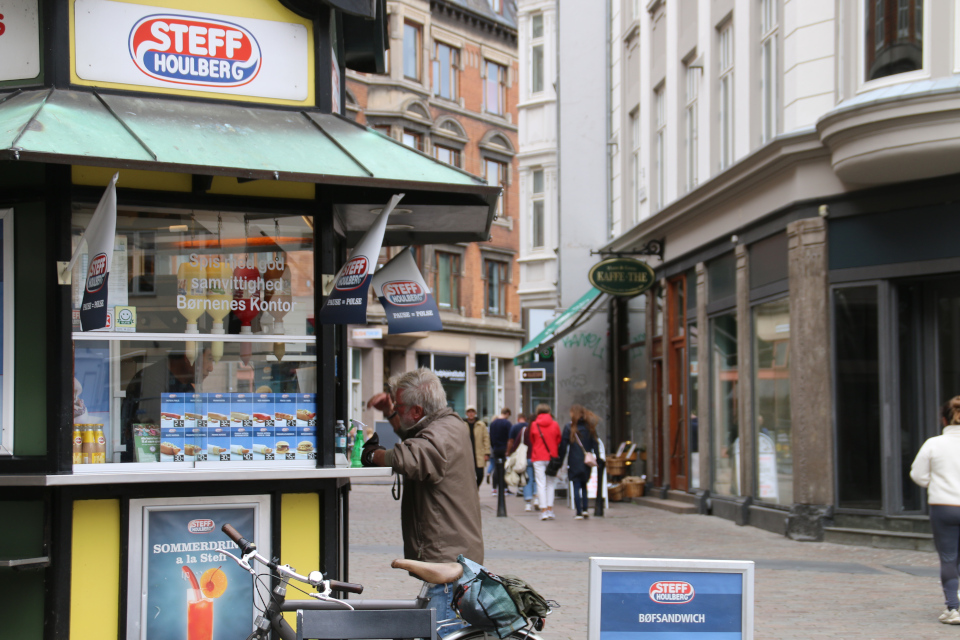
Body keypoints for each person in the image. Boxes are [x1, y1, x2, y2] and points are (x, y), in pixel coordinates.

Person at [363, 369, 484, 636]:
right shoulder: (449, 423)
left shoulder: (440, 436)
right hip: (457, 555)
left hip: (449, 562)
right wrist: (393, 414)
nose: (396, 409)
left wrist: (372, 456)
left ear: (417, 410)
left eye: (399, 406)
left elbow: (412, 456)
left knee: (443, 633)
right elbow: (416, 437)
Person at [911, 396, 960, 625]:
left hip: (944, 506)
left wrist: (937, 483)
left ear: (943, 419)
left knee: (949, 558)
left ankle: (954, 608)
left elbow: (918, 475)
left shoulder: (933, 443)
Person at [120, 348, 215, 459]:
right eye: (209, 359)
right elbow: (150, 423)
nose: (211, 368)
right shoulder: (152, 380)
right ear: (188, 357)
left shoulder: (187, 388)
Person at [559, 405, 601, 520]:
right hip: (586, 460)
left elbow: (563, 445)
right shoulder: (589, 427)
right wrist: (597, 457)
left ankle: (578, 512)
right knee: (584, 485)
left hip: (574, 460)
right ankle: (585, 509)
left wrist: (559, 460)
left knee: (576, 486)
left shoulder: (569, 427)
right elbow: (595, 443)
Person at [529, 403, 561, 521]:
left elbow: (532, 440)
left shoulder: (534, 425)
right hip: (552, 457)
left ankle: (543, 511)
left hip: (538, 456)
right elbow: (558, 439)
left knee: (540, 484)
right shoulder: (555, 424)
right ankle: (550, 509)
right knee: (551, 484)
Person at [506, 414, 536, 510]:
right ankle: (537, 499)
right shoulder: (538, 431)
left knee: (527, 479)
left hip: (526, 458)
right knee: (538, 479)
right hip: (538, 457)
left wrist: (511, 453)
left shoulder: (524, 430)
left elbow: (516, 443)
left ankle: (528, 503)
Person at [463, 405, 490, 487]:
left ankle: (475, 488)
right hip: (466, 454)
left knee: (480, 474)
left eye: (472, 412)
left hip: (479, 453)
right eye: (469, 412)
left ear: (475, 413)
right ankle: (471, 492)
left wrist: (487, 452)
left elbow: (486, 439)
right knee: (467, 475)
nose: (471, 414)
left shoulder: (481, 425)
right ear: (466, 413)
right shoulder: (462, 424)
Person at [488, 408, 513, 496]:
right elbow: (510, 438)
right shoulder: (507, 423)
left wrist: (493, 446)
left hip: (496, 448)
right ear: (506, 413)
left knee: (496, 468)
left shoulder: (493, 423)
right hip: (505, 449)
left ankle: (494, 488)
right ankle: (504, 489)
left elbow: (490, 437)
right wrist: (509, 450)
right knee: (504, 469)